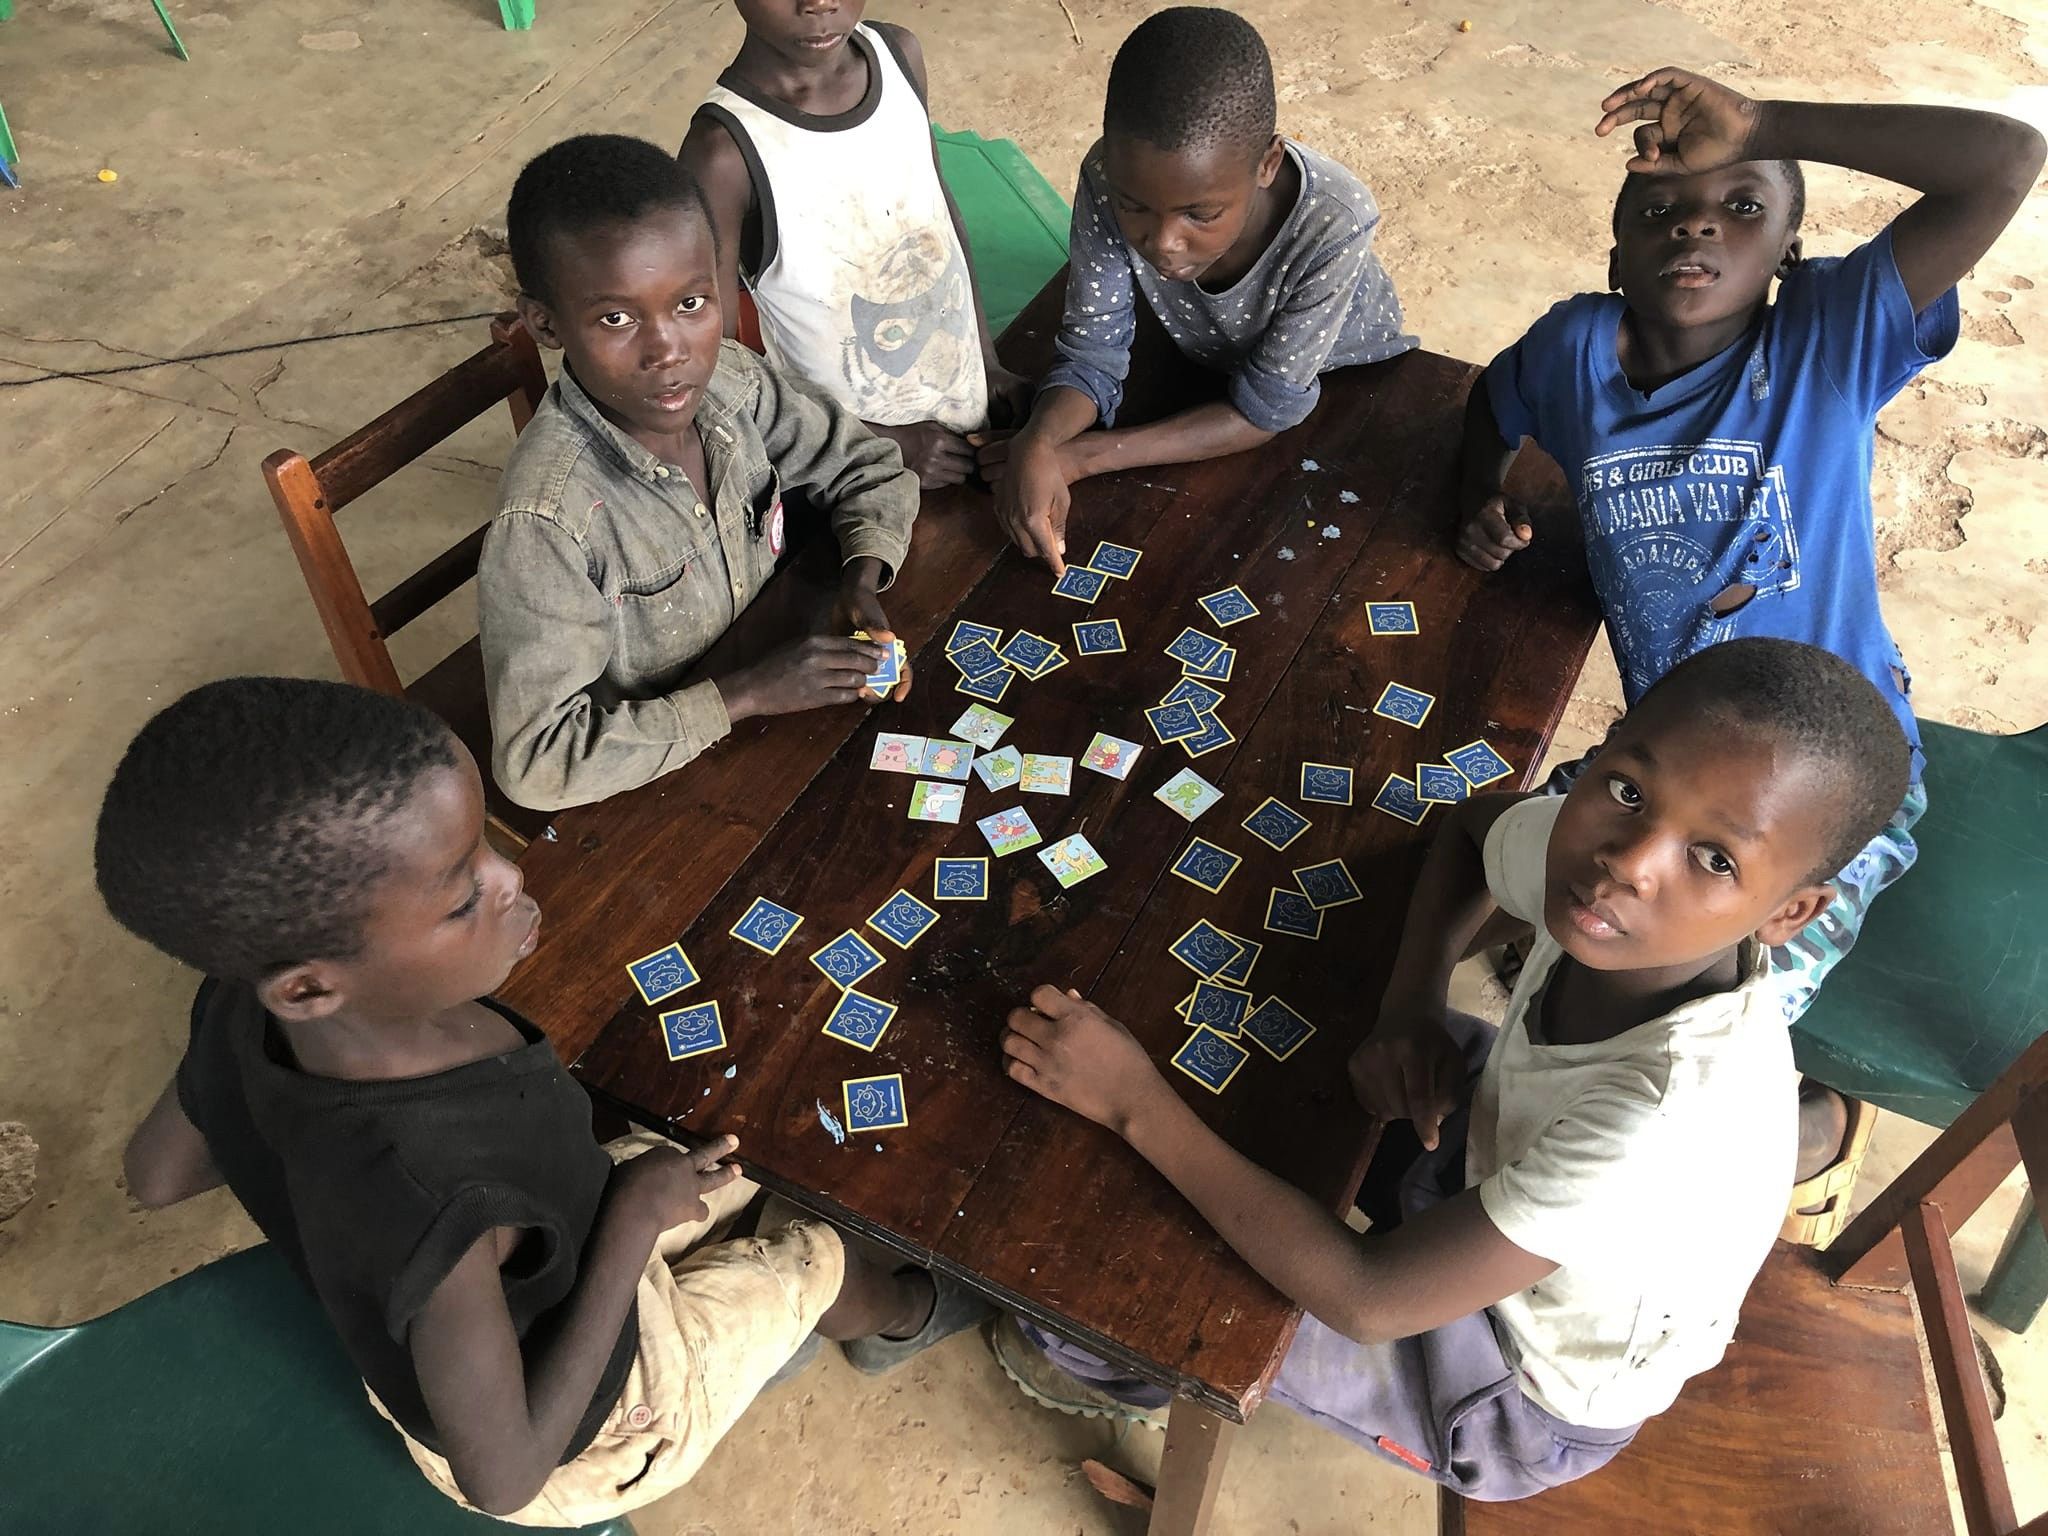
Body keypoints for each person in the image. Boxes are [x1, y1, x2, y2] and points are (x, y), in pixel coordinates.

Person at [994, 638, 1910, 1501]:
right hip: (1509, 1149)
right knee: (1291, 1052)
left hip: (1516, 1391)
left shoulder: (1656, 1119)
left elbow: (1369, 1298)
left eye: (1713, 859)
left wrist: (1133, 1103)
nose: (1627, 865)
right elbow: (1471, 833)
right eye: (1628, 790)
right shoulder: (1612, 886)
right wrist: (1413, 1008)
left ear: (1789, 913)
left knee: (1130, 1278)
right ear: (1604, 754)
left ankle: (1120, 1366)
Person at [108, 678, 986, 1526]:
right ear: (308, 989)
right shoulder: (432, 1208)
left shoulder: (243, 1004)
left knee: (734, 1153)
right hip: (590, 1426)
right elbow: (505, 1475)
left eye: (484, 844)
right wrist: (629, 1224)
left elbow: (157, 1175)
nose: (512, 876)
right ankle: (902, 1319)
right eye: (463, 897)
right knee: (819, 1255)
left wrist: (300, 1166)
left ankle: (728, 1320)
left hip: (545, 1258)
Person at [1455, 68, 2043, 1013]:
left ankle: (1792, 1096)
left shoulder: (1828, 339)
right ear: (1615, 257)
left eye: (1741, 205)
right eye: (1660, 209)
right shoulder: (1572, 350)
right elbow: (1493, 400)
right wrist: (1480, 494)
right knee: (1481, 860)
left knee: (1704, 1017)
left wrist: (1768, 124)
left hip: (1817, 791)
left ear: (1787, 253)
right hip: (1667, 759)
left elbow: (2007, 161)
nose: (1697, 225)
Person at [481, 133, 922, 812]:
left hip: (768, 711)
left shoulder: (731, 386)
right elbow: (538, 764)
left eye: (691, 304)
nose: (669, 352)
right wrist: (748, 694)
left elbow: (868, 466)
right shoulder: (549, 524)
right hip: (660, 787)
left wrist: (859, 579)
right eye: (617, 318)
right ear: (545, 324)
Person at [984, 6, 1416, 573]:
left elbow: (1266, 408)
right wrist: (1039, 441)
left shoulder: (1335, 220)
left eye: (1201, 214)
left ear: (1268, 164)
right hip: (1199, 347)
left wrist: (1077, 458)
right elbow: (1093, 351)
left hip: (1342, 374)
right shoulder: (1108, 176)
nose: (1163, 244)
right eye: (1134, 208)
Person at [681, 1, 1030, 489]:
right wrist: (885, 443)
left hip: (967, 423)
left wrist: (987, 366)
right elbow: (721, 364)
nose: (819, 2)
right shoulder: (724, 152)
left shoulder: (899, 56)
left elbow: (939, 219)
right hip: (852, 469)